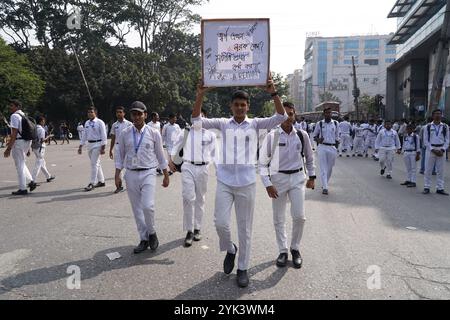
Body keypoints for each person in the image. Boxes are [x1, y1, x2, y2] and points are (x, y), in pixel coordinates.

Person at [192, 74, 287, 288]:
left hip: (246, 183)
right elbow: (196, 122)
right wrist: (200, 95)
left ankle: (242, 268)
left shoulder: (256, 125)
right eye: (236, 105)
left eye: (243, 104)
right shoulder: (222, 124)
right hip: (225, 181)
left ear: (248, 106)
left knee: (245, 229)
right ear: (231, 106)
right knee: (220, 223)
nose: (240, 108)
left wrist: (273, 92)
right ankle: (231, 249)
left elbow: (281, 116)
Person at [259, 102, 316, 269]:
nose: (288, 118)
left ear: (294, 114)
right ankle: (283, 250)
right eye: (284, 114)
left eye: (291, 114)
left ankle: (295, 248)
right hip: (278, 180)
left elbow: (310, 158)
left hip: (298, 177)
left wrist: (312, 176)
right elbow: (262, 164)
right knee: (279, 218)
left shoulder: (302, 135)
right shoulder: (272, 136)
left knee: (299, 216)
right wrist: (268, 184)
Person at [115, 101, 170, 254]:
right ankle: (143, 238)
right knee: (137, 209)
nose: (137, 117)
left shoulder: (153, 132)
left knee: (147, 206)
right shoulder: (125, 133)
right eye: (134, 114)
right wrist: (117, 174)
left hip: (148, 172)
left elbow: (160, 154)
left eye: (140, 113)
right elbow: (120, 155)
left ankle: (152, 232)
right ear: (131, 115)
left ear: (145, 114)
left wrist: (165, 174)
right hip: (131, 173)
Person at [169, 109, 216, 248]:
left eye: (201, 116)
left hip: (203, 168)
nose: (198, 119)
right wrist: (170, 161)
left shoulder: (210, 134)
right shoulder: (185, 132)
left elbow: (215, 154)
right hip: (188, 166)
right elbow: (175, 147)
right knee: (188, 198)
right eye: (195, 116)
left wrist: (212, 166)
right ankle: (189, 231)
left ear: (205, 118)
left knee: (200, 199)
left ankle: (197, 228)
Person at [3, 100, 34, 195]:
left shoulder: (14, 116)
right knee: (22, 163)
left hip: (19, 142)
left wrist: (8, 148)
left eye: (12, 106)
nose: (10, 107)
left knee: (19, 165)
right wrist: (28, 149)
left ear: (17, 106)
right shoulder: (24, 115)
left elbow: (14, 133)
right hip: (27, 141)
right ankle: (31, 181)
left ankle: (23, 188)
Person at [78, 106, 107, 191]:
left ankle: (92, 183)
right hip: (89, 145)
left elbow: (104, 135)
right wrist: (80, 146)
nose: (90, 114)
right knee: (97, 163)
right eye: (88, 112)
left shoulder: (100, 122)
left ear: (95, 113)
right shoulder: (87, 123)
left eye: (91, 112)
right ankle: (101, 181)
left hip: (97, 144)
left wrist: (103, 147)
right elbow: (84, 135)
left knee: (94, 164)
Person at [312, 108, 340, 195]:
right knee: (323, 168)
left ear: (331, 114)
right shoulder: (319, 124)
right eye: (326, 113)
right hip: (322, 147)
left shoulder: (335, 123)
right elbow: (314, 136)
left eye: (329, 113)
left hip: (332, 148)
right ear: (324, 114)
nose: (328, 114)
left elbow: (337, 137)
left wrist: (337, 147)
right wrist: (318, 140)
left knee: (330, 168)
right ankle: (325, 187)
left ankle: (325, 183)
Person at [423, 109, 449, 195]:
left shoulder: (445, 126)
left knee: (441, 170)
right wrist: (433, 149)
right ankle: (427, 187)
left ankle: (440, 188)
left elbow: (447, 140)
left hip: (441, 149)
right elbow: (425, 140)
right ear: (433, 115)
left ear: (441, 115)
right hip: (431, 150)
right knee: (428, 169)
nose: (438, 115)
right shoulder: (427, 126)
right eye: (436, 114)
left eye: (439, 114)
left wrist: (442, 149)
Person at [109, 106, 133, 193]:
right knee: (118, 168)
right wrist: (110, 150)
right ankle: (119, 187)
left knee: (130, 168)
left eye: (120, 112)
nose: (118, 114)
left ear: (124, 113)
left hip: (128, 148)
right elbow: (113, 138)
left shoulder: (129, 124)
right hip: (118, 148)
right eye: (117, 112)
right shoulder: (114, 125)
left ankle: (132, 185)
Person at [29, 116, 55, 189]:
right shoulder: (41, 129)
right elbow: (42, 140)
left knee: (42, 163)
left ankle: (48, 176)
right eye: (43, 121)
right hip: (40, 147)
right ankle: (33, 180)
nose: (44, 122)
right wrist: (49, 136)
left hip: (34, 147)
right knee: (38, 164)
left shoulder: (34, 128)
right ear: (40, 121)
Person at [401, 124, 420, 188]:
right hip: (406, 152)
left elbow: (418, 145)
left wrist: (418, 154)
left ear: (412, 129)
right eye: (407, 129)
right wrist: (402, 152)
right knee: (408, 168)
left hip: (413, 152)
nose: (409, 130)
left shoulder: (415, 136)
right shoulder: (405, 136)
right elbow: (403, 144)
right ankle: (408, 180)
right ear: (406, 130)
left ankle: (413, 181)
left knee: (413, 168)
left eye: (410, 129)